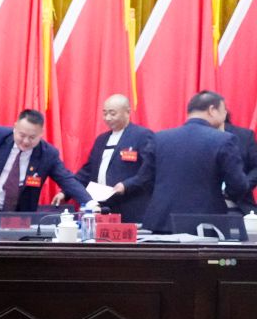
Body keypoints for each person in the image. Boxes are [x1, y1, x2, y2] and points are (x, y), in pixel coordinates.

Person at [115, 90, 250, 233]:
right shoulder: (224, 139)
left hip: (161, 221)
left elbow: (144, 179)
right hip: (206, 224)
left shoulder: (159, 138)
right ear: (212, 110)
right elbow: (238, 185)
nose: (225, 117)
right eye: (224, 112)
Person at [0, 109, 96, 211]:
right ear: (15, 127)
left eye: (32, 137)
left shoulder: (48, 154)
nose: (26, 141)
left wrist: (89, 202)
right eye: (22, 135)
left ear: (41, 134)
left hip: (19, 216)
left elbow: (67, 180)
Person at [52, 94, 155, 223]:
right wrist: (66, 192)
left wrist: (126, 185)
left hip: (131, 208)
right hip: (103, 208)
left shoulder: (142, 136)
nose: (107, 118)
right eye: (105, 113)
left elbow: (149, 171)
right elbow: (87, 172)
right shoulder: (101, 140)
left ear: (127, 112)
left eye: (112, 114)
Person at [223, 112, 257, 214]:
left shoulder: (244, 136)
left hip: (241, 206)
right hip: (204, 208)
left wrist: (242, 185)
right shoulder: (193, 137)